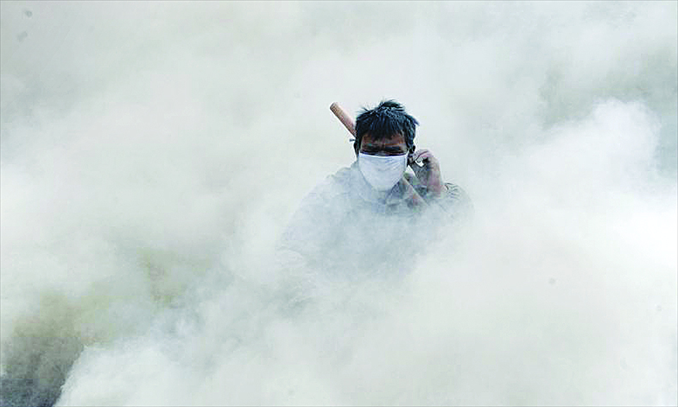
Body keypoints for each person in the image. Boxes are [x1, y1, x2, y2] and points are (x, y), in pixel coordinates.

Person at [277, 100, 472, 281]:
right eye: (372, 151)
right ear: (357, 150)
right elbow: (290, 254)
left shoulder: (424, 194)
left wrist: (438, 191)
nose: (381, 159)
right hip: (345, 303)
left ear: (409, 153)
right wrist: (323, 300)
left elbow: (464, 241)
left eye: (392, 152)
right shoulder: (333, 194)